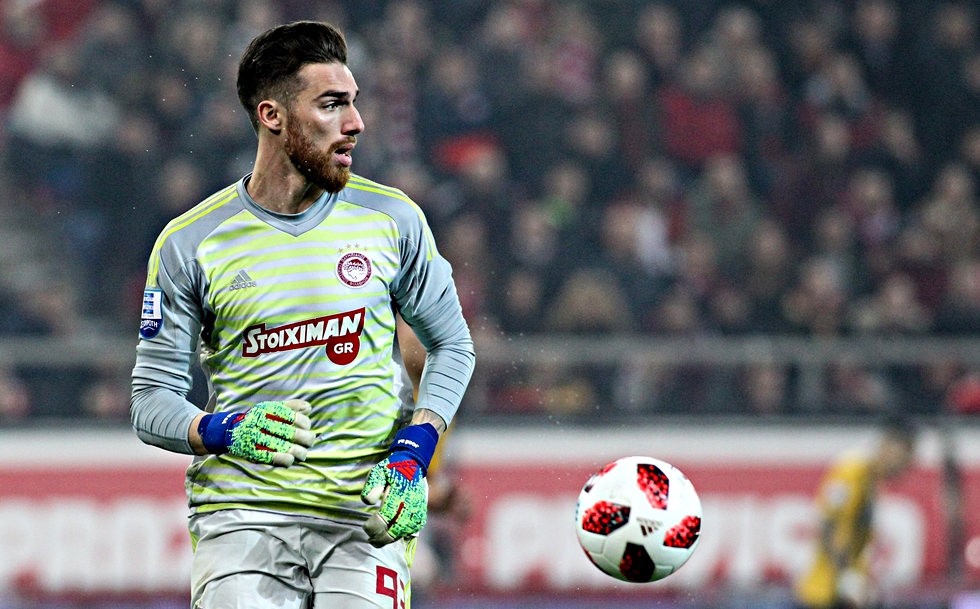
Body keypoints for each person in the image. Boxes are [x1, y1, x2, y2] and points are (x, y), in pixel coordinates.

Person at [129, 21, 475, 609]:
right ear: (273, 115)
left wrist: (415, 452)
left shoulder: (393, 220)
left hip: (367, 514)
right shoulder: (191, 243)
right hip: (242, 516)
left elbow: (452, 346)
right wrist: (222, 430)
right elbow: (150, 400)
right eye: (331, 105)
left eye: (354, 103)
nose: (356, 123)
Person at [794, 416, 917, 609]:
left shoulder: (871, 480)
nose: (908, 464)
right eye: (906, 454)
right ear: (890, 445)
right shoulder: (852, 472)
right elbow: (829, 525)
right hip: (824, 595)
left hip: (843, 595)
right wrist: (847, 578)